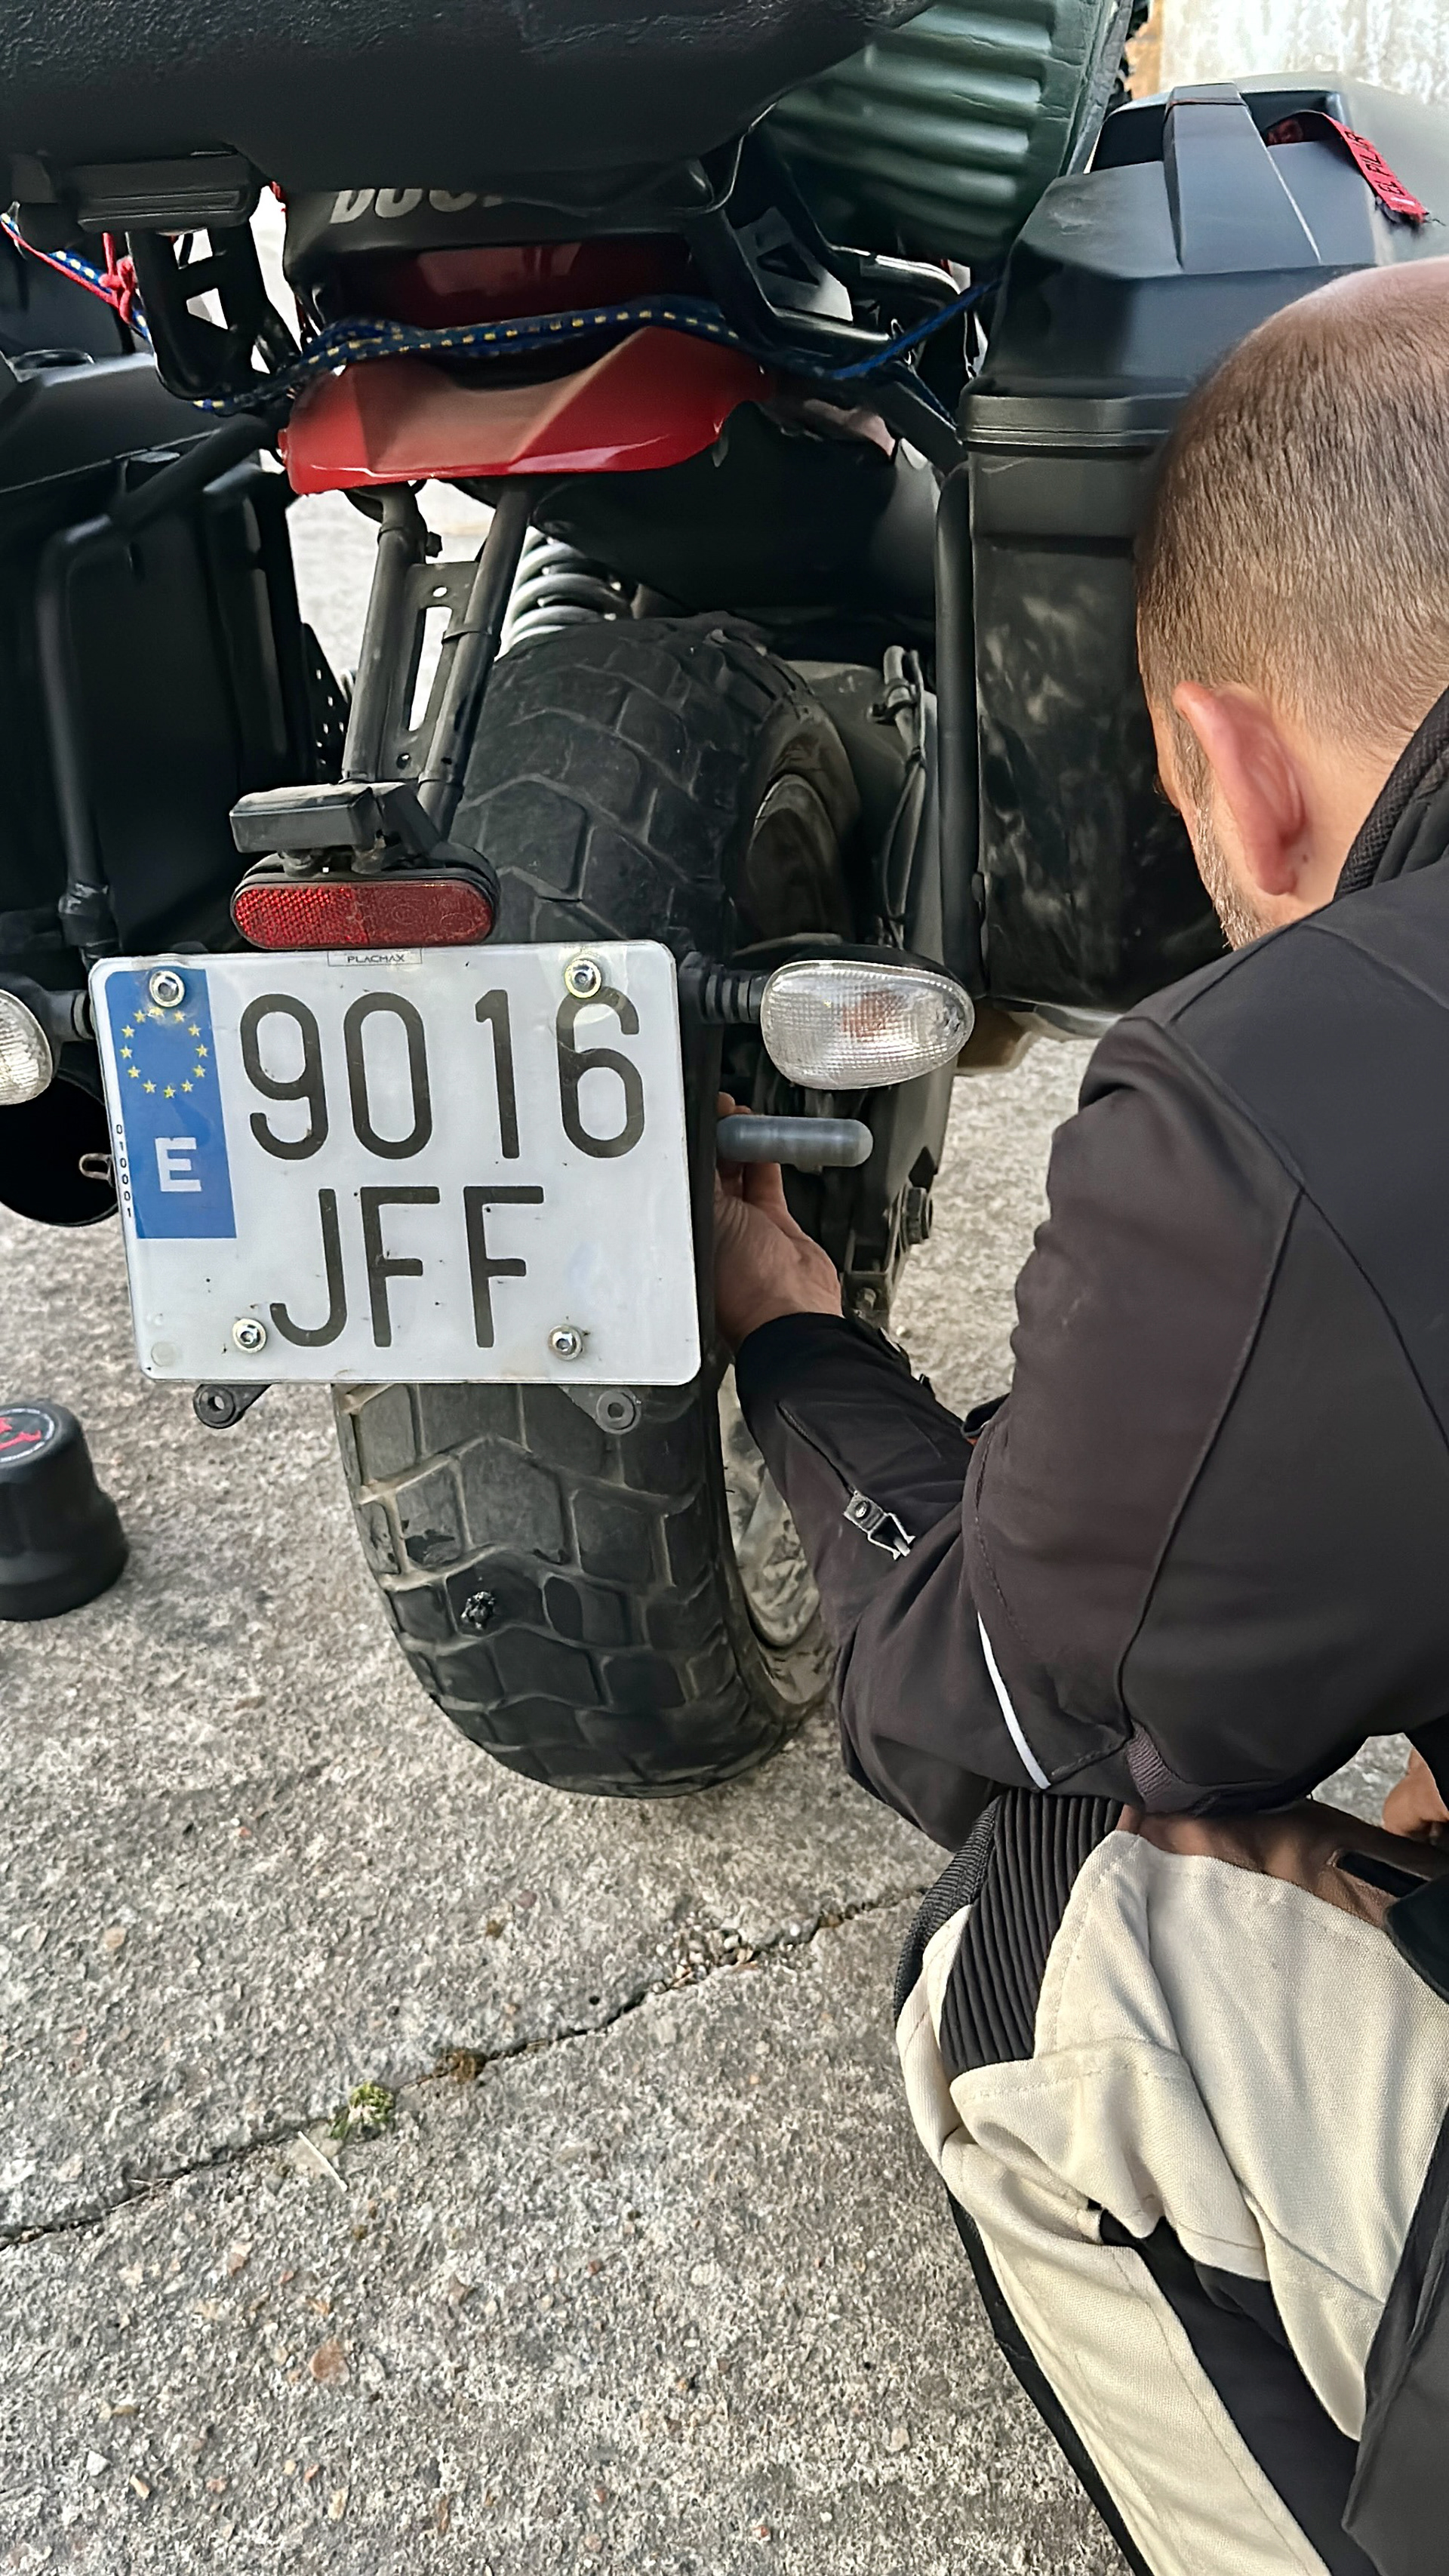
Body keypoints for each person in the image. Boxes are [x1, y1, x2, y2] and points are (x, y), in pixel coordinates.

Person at [713, 259, 1449, 2574]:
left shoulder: (1299, 1104)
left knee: (1026, 1952)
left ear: (1230, 763)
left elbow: (1003, 1700)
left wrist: (791, 1333)